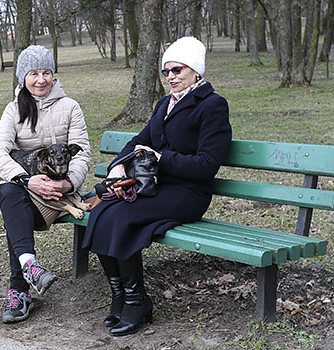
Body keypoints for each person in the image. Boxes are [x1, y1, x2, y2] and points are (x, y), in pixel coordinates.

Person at [82, 36, 232, 336]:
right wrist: (121, 164)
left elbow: (206, 165)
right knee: (101, 212)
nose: (171, 77)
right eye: (166, 72)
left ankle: (137, 302)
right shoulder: (164, 104)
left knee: (122, 217)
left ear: (196, 71)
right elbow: (138, 141)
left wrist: (161, 158)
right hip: (156, 188)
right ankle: (121, 296)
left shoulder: (212, 105)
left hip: (189, 193)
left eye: (177, 70)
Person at [0, 45, 91, 323]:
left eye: (46, 72)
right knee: (9, 192)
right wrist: (27, 180)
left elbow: (82, 153)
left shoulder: (70, 107)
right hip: (27, 193)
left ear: (53, 75)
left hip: (61, 198)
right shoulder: (13, 111)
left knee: (13, 213)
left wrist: (68, 184)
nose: (41, 79)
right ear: (24, 78)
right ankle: (30, 268)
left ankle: (18, 289)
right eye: (33, 73)